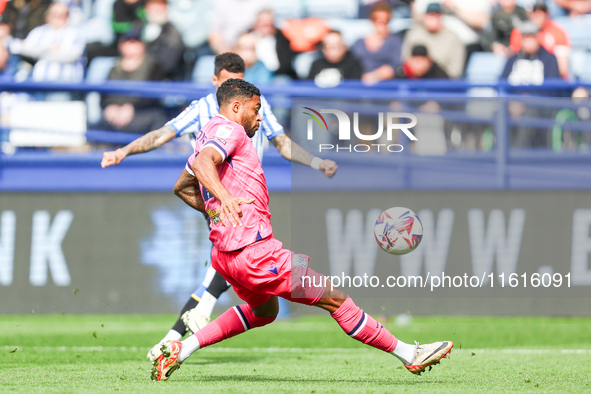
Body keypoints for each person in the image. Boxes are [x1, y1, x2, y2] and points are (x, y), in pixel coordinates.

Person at [150, 78, 454, 381]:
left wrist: (216, 210)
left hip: (226, 259)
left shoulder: (206, 133)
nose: (259, 118)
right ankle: (409, 354)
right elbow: (204, 162)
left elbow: (182, 186)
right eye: (256, 110)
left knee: (264, 311)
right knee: (334, 297)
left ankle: (181, 348)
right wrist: (225, 199)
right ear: (236, 106)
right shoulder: (229, 131)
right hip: (257, 255)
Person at [100, 52, 338, 361]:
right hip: (221, 200)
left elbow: (281, 142)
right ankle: (195, 318)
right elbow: (162, 134)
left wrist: (316, 162)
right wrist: (124, 151)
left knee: (227, 274)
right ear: (216, 81)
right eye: (228, 82)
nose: (233, 88)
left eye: (238, 81)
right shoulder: (202, 109)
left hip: (249, 201)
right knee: (234, 265)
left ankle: (176, 336)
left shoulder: (255, 108)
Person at [100, 28, 167, 132]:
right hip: (115, 115)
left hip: (143, 113)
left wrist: (132, 107)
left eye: (135, 42)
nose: (131, 46)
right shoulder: (114, 68)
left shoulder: (153, 65)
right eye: (128, 42)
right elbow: (104, 96)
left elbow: (153, 96)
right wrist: (110, 107)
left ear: (142, 45)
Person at [8, 2, 84, 82]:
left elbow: (69, 56)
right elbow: (20, 47)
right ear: (48, 15)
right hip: (36, 84)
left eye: (62, 15)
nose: (57, 17)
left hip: (63, 85)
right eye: (54, 14)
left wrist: (38, 52)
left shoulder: (74, 33)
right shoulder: (38, 32)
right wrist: (50, 49)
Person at [402, 2, 465, 78]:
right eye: (430, 15)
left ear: (441, 16)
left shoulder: (452, 37)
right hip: (414, 80)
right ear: (424, 16)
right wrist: (417, 67)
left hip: (441, 82)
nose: (432, 18)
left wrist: (429, 65)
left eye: (435, 15)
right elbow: (405, 60)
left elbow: (455, 71)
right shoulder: (414, 34)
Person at [509, 1, 571, 78]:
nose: (538, 14)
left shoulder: (557, 31)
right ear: (529, 13)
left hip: (550, 75)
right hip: (524, 75)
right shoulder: (519, 31)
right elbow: (514, 60)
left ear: (547, 13)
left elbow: (563, 68)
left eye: (542, 11)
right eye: (535, 11)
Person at [351, 2, 403, 84]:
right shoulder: (359, 43)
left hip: (386, 87)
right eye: (376, 19)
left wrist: (373, 76)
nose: (381, 22)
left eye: (385, 20)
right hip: (360, 87)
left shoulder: (395, 42)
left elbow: (395, 67)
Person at [502, 21, 561, 85]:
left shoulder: (549, 59)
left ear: (537, 38)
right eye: (526, 37)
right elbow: (502, 82)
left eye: (531, 37)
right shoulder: (513, 59)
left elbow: (552, 87)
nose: (528, 42)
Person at [141, 0, 185, 81]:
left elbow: (167, 65)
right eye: (153, 5)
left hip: (164, 81)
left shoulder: (173, 33)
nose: (157, 9)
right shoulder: (138, 28)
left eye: (161, 5)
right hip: (138, 78)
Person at [250, 9, 297, 79]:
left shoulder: (282, 39)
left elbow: (286, 64)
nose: (267, 24)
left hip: (276, 75)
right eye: (263, 22)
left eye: (269, 22)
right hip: (253, 73)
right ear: (256, 22)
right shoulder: (248, 38)